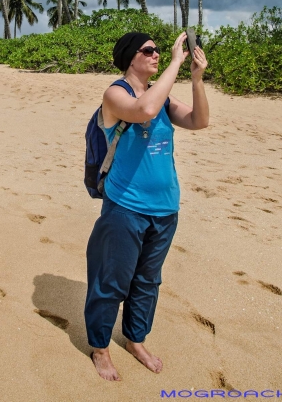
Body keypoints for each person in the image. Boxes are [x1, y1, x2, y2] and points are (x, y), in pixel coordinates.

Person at [85, 30, 209, 381]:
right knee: (110, 281)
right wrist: (175, 62)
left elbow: (200, 121)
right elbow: (145, 109)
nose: (156, 54)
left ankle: (135, 340)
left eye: (158, 51)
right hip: (125, 207)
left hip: (166, 208)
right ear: (130, 57)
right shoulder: (115, 94)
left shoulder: (164, 98)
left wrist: (196, 80)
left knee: (147, 281)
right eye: (149, 50)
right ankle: (100, 347)